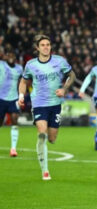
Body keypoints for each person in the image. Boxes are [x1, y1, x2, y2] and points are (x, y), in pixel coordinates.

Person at [18, 34, 76, 180]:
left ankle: (48, 139)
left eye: (48, 45)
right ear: (37, 48)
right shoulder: (31, 64)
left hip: (55, 105)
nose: (46, 47)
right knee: (42, 133)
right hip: (39, 104)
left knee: (52, 138)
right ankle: (45, 170)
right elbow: (24, 82)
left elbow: (72, 75)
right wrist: (20, 96)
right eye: (43, 45)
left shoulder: (59, 61)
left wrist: (65, 89)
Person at [0, 51, 23, 157]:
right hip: (1, 98)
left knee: (14, 119)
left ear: (15, 58)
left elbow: (23, 82)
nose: (11, 57)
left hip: (13, 99)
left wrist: (22, 95)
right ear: (6, 57)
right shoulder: (1, 65)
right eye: (9, 55)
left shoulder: (19, 69)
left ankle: (13, 149)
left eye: (13, 56)